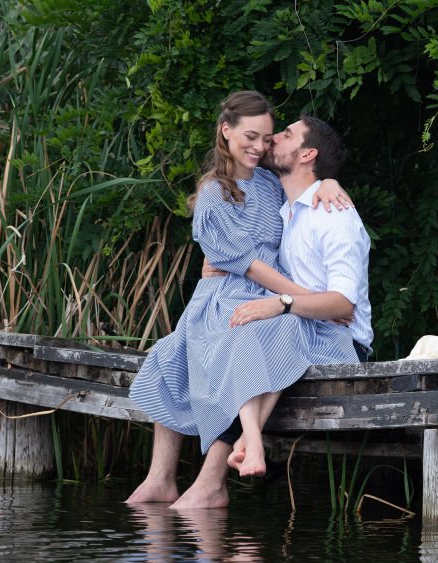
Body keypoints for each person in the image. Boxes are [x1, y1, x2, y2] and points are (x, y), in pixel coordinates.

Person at [126, 92, 368, 508]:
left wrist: (329, 180)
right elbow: (246, 260)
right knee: (171, 356)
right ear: (227, 131)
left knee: (242, 342)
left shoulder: (290, 195)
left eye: (274, 136)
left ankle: (212, 480)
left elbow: (308, 188)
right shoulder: (238, 196)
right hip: (249, 299)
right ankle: (162, 478)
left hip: (294, 313)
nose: (265, 145)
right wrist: (298, 295)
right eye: (254, 136)